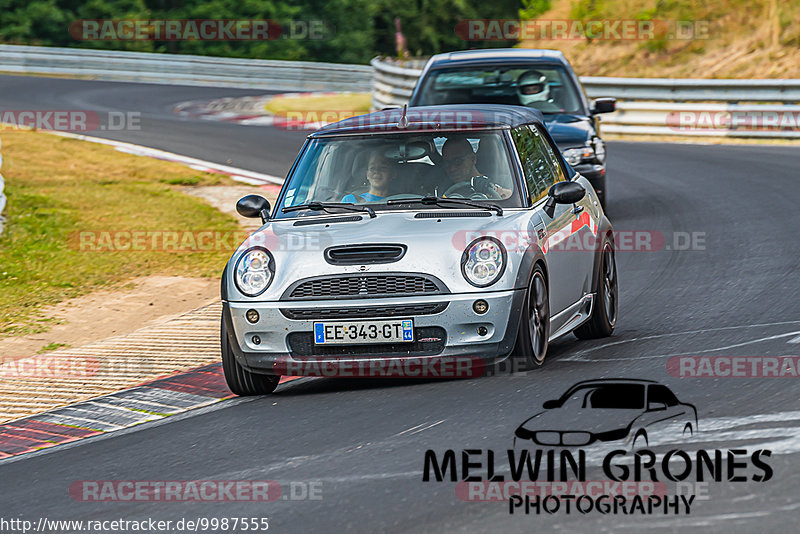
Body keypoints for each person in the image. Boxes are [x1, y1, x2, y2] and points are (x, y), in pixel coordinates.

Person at [439, 138, 511, 198]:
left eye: (458, 161)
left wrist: (493, 189)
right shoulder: (441, 187)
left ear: (473, 159)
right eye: (447, 163)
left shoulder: (502, 181)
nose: (452, 169)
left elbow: (514, 199)